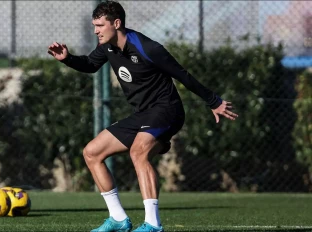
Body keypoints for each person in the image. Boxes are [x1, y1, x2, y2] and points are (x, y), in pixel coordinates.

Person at [48, 1, 238, 231]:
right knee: (92, 153)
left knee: (138, 151)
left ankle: (152, 224)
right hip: (143, 114)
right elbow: (90, 64)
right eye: (94, 25)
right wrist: (67, 58)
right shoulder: (107, 47)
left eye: (100, 25)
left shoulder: (148, 47)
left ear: (116, 23)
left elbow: (183, 75)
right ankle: (118, 219)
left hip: (167, 110)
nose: (96, 30)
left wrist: (214, 101)